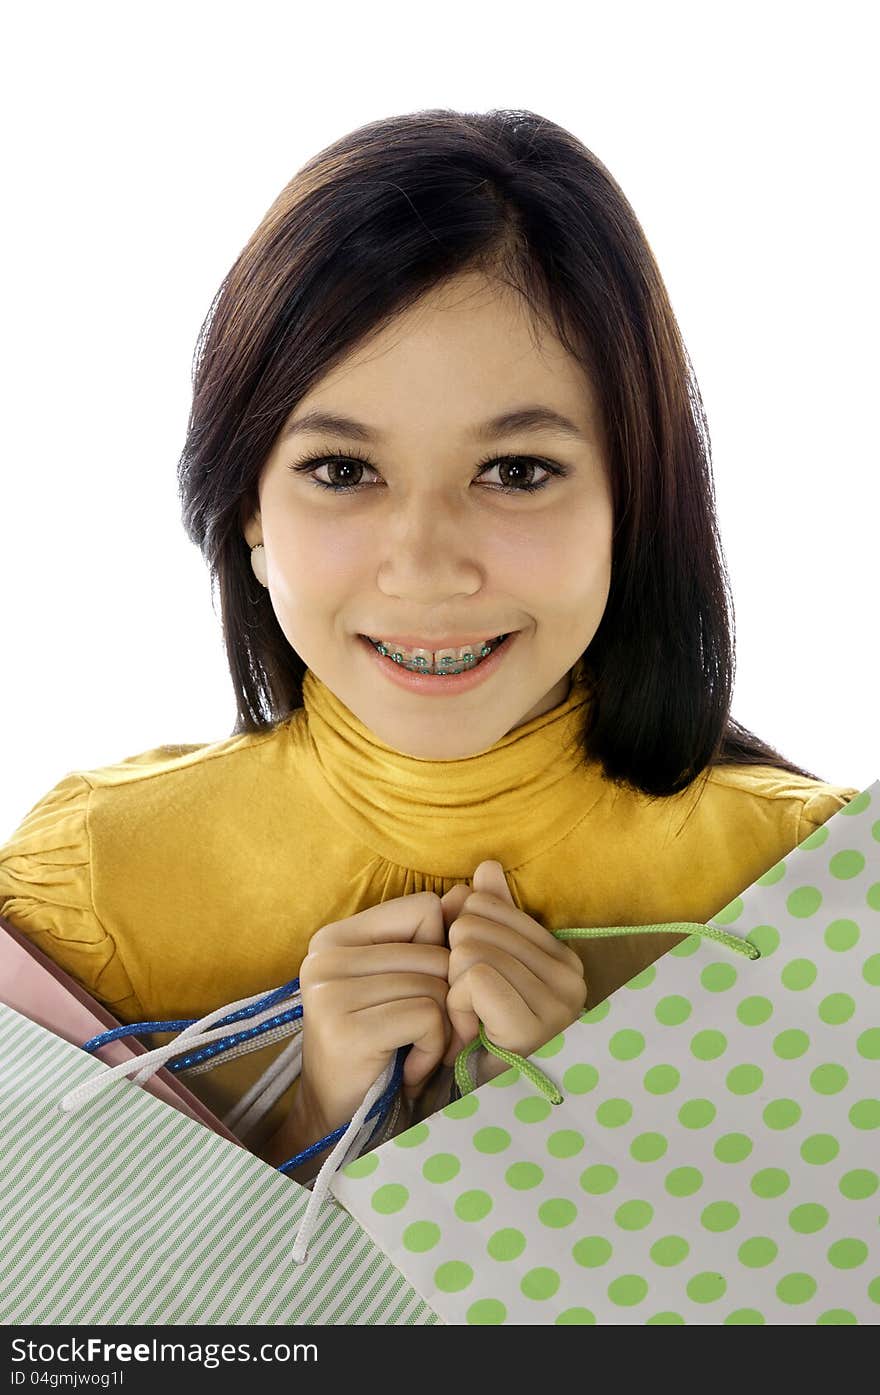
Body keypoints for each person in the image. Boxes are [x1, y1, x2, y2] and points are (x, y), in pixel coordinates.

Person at [0, 108, 859, 1184]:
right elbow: (63, 1318)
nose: (425, 566)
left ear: (631, 502)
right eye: (343, 471)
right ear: (251, 512)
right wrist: (312, 1117)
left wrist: (602, 1121)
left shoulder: (804, 896)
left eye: (515, 471)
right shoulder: (95, 888)